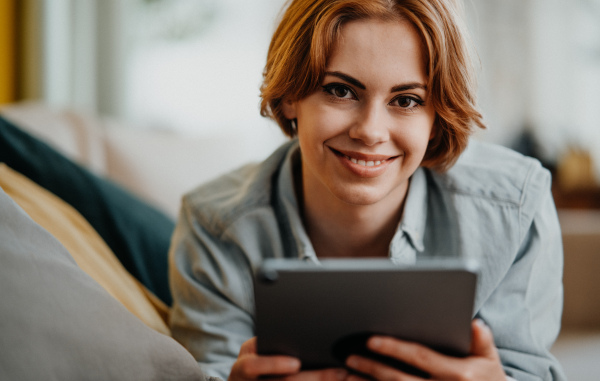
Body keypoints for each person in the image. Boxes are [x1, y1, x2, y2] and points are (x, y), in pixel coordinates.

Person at [168, 0, 565, 380]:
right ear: (291, 96)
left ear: (437, 114)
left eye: (407, 100)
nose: (371, 131)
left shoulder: (515, 205)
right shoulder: (214, 225)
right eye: (340, 90)